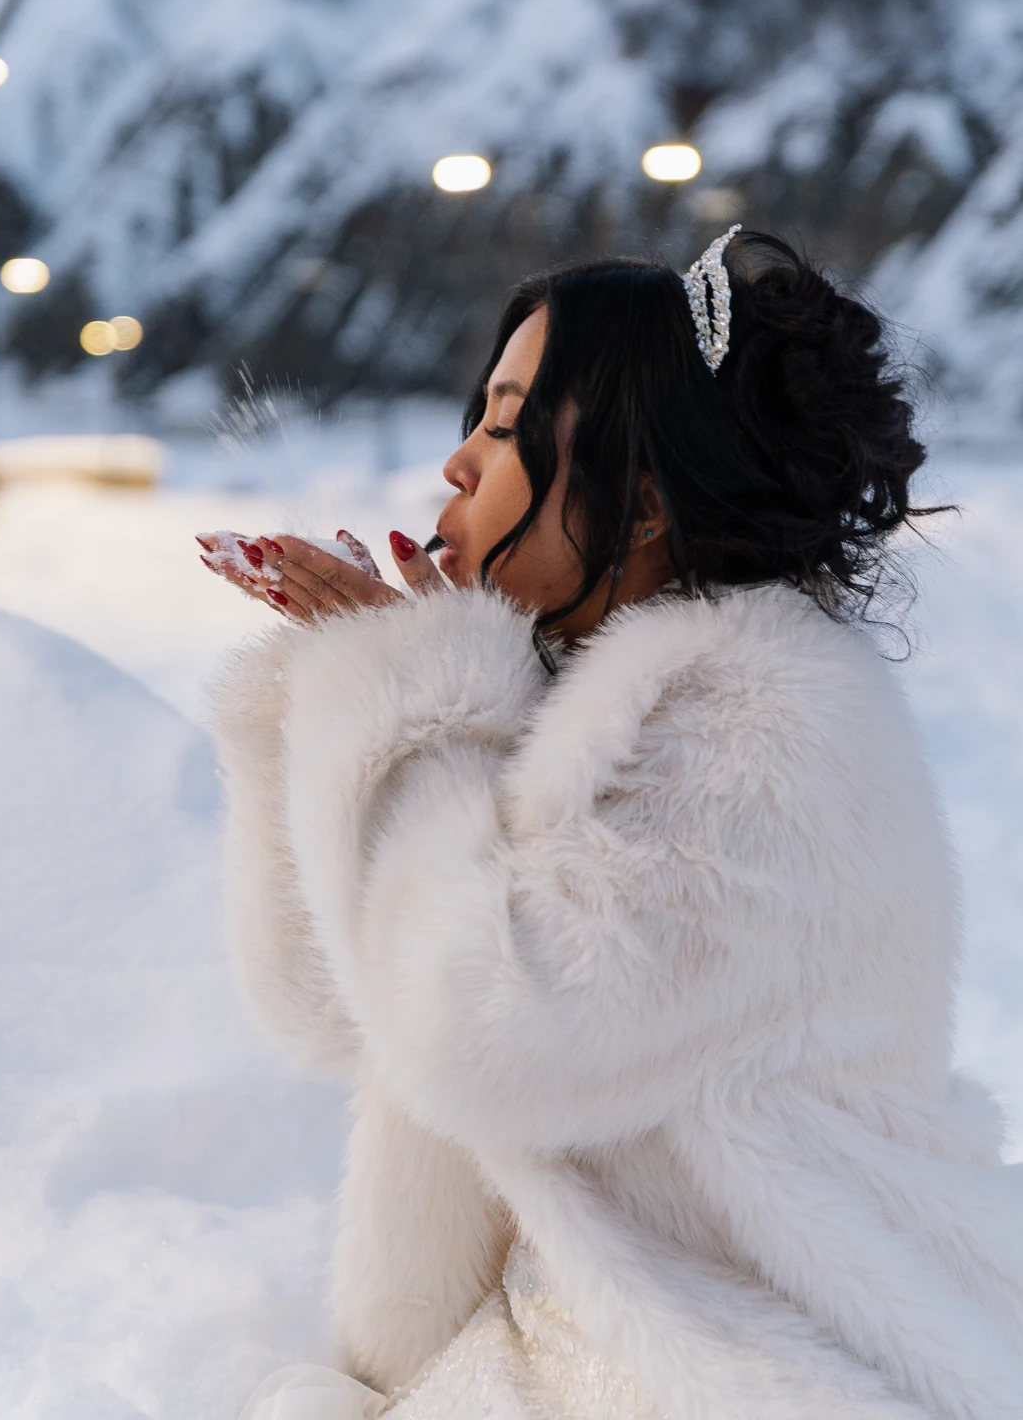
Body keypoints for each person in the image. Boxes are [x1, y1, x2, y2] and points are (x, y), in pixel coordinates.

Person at [202, 228, 1023, 1420]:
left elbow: (471, 1033)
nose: (454, 464)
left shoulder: (760, 726)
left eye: (504, 426)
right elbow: (327, 1007)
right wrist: (357, 708)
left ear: (640, 498)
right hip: (585, 1326)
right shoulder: (580, 694)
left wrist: (413, 712)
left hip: (722, 1349)